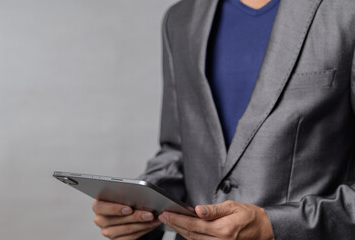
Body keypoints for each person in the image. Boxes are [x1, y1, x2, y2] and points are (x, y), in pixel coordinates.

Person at [92, 0, 355, 239]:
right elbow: (179, 152)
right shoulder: (181, 18)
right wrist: (139, 212)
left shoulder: (345, 11)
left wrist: (274, 225)